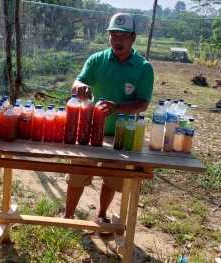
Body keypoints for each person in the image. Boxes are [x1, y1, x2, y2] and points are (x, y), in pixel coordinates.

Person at [62, 13, 154, 228]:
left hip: (120, 133)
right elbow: (77, 83)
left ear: (134, 37)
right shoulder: (97, 59)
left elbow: (142, 103)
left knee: (112, 177)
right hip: (88, 130)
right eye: (113, 36)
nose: (118, 41)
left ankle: (102, 214)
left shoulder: (143, 67)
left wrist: (118, 108)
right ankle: (68, 216)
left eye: (123, 36)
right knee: (78, 173)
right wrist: (79, 89)